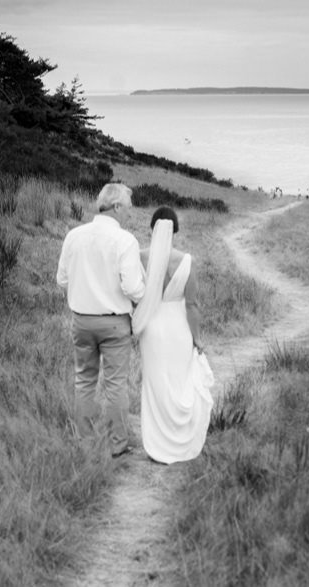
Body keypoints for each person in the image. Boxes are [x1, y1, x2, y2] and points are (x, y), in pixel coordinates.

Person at [57, 184, 145, 458]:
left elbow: (62, 279)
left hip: (81, 321)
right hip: (114, 323)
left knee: (84, 381)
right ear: (117, 207)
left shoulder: (74, 235)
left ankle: (85, 443)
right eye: (128, 208)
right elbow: (133, 288)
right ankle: (118, 444)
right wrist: (144, 299)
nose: (130, 214)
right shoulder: (125, 240)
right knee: (116, 383)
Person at [132, 206, 215, 464]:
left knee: (155, 384)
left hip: (152, 329)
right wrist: (197, 338)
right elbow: (192, 305)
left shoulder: (140, 257)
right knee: (179, 382)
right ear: (176, 230)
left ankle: (156, 444)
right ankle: (180, 440)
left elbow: (134, 294)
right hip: (178, 328)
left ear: (152, 228)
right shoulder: (185, 261)